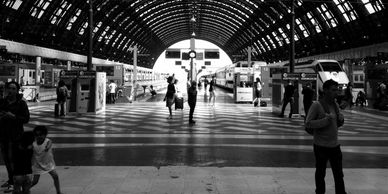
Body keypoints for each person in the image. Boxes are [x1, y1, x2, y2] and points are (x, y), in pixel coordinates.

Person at [305, 79, 347, 194]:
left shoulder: (335, 105)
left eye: (337, 90)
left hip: (335, 145)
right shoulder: (316, 105)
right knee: (320, 173)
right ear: (325, 90)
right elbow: (308, 123)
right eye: (333, 90)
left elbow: (336, 124)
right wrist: (325, 120)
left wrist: (341, 120)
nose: (336, 92)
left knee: (339, 174)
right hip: (321, 146)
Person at [0, 81, 30, 193]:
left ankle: (14, 182)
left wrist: (14, 116)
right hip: (3, 135)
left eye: (13, 89)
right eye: (9, 88)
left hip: (16, 135)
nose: (11, 91)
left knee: (13, 160)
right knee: (6, 160)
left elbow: (26, 119)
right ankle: (11, 179)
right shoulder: (2, 102)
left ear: (17, 90)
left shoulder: (21, 103)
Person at [30, 126, 63, 194]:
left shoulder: (48, 141)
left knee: (55, 176)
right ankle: (24, 189)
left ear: (45, 135)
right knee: (35, 181)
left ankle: (58, 192)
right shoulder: (33, 144)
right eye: (37, 135)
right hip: (38, 165)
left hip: (48, 163)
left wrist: (47, 148)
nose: (39, 136)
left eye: (41, 135)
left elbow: (49, 144)